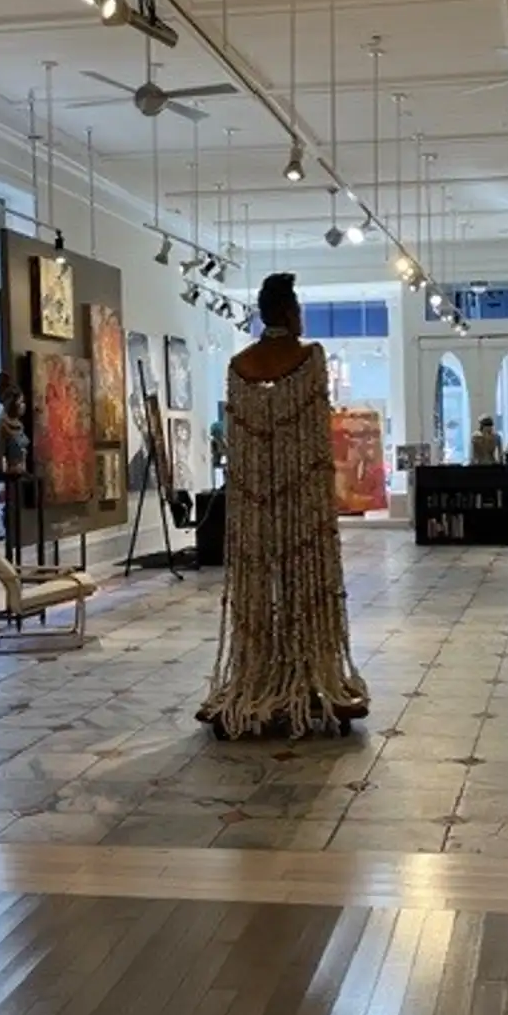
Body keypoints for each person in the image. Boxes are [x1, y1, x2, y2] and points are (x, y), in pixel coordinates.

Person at [199, 272, 368, 739]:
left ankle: (259, 674)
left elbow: (239, 443)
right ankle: (308, 672)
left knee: (257, 583)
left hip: (254, 500)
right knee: (304, 581)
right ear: (290, 312)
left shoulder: (239, 367)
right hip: (302, 498)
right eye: (298, 309)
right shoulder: (310, 359)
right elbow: (314, 433)